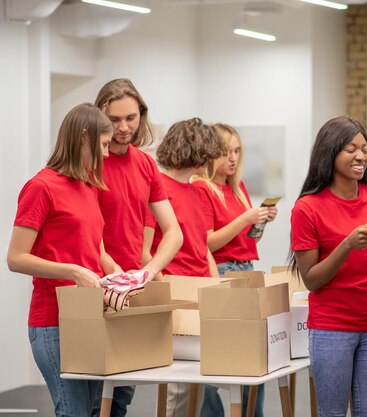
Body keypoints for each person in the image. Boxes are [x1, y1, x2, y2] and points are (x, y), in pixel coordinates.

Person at [7, 103, 122, 417]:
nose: (108, 154)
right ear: (84, 138)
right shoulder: (40, 188)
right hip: (53, 322)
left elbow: (93, 247)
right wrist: (74, 271)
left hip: (89, 317)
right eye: (104, 145)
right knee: (74, 412)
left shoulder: (88, 186)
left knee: (98, 410)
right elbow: (16, 258)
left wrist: (113, 269)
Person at [289, 115, 367, 417]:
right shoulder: (307, 208)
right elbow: (312, 280)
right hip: (331, 328)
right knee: (333, 413)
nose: (361, 156)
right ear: (330, 151)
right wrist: (348, 245)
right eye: (351, 149)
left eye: (364, 148)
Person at [95, 78, 183, 417]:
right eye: (114, 120)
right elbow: (88, 231)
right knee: (90, 398)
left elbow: (173, 232)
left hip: (130, 291)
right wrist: (112, 272)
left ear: (141, 115)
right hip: (95, 285)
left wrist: (147, 272)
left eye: (130, 118)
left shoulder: (145, 164)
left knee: (120, 397)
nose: (123, 127)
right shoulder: (89, 162)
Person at [142, 118, 226, 417]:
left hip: (201, 291)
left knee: (199, 383)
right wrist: (166, 289)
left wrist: (216, 286)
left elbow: (201, 246)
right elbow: (145, 249)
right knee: (178, 388)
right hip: (177, 293)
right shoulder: (159, 187)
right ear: (196, 152)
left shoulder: (198, 191)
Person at [192, 123, 276, 417]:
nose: (233, 158)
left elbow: (248, 240)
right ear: (211, 153)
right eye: (227, 151)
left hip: (247, 270)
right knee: (220, 356)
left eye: (238, 151)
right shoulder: (202, 188)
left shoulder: (237, 188)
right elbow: (208, 242)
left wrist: (259, 221)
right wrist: (245, 219)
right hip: (222, 272)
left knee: (256, 356)